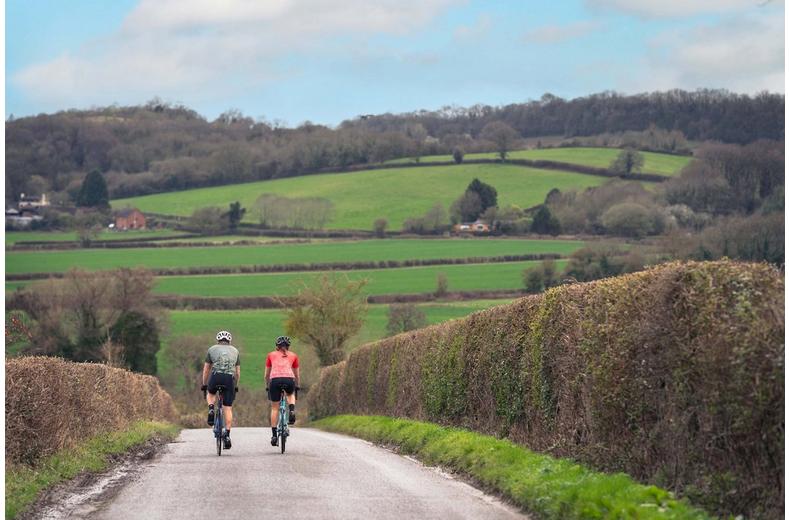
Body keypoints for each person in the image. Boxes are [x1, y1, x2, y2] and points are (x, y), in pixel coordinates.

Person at [201, 330, 240, 450]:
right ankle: (227, 435)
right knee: (227, 407)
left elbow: (207, 369)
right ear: (229, 341)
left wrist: (204, 384)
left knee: (211, 393)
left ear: (218, 340)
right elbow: (237, 372)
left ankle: (211, 408)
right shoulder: (235, 351)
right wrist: (236, 385)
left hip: (215, 376)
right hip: (229, 379)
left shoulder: (211, 349)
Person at [265, 335, 300, 447]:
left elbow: (266, 374)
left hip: (275, 380)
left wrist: (267, 385)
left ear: (277, 346)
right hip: (289, 379)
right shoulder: (294, 356)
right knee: (290, 394)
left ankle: (274, 435)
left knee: (275, 408)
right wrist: (297, 385)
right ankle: (292, 410)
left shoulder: (271, 355)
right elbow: (297, 374)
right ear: (288, 346)